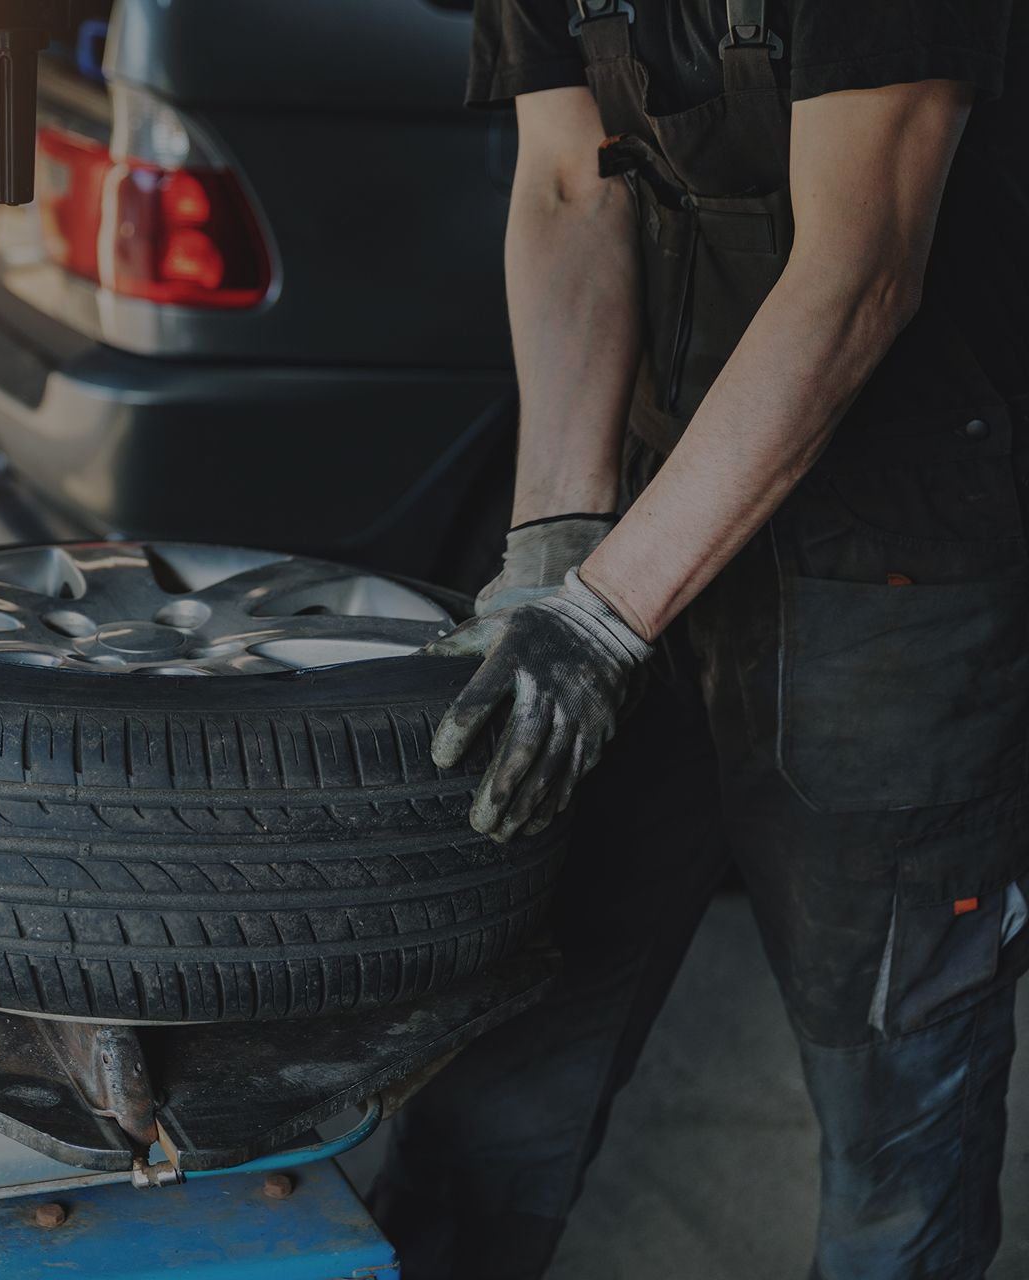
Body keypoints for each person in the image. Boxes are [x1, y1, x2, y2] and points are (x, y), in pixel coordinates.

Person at [370, 1, 1029, 1276]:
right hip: (646, 525)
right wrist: (556, 551)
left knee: (897, 1155)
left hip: (894, 578)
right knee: (492, 1085)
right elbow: (570, 184)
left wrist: (608, 612)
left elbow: (863, 264)